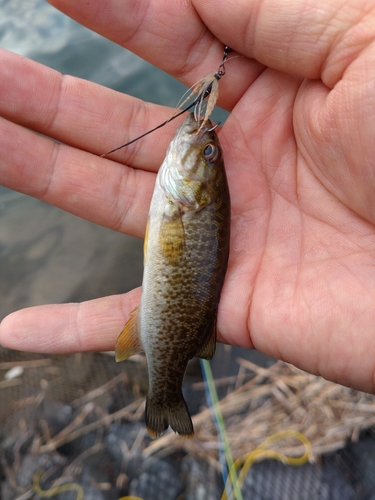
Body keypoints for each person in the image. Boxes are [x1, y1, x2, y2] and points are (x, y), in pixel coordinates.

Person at [1, 0, 375, 394]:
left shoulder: (185, 203)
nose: (205, 142)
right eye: (209, 154)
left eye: (208, 154)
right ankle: (165, 391)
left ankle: (164, 393)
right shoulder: (184, 202)